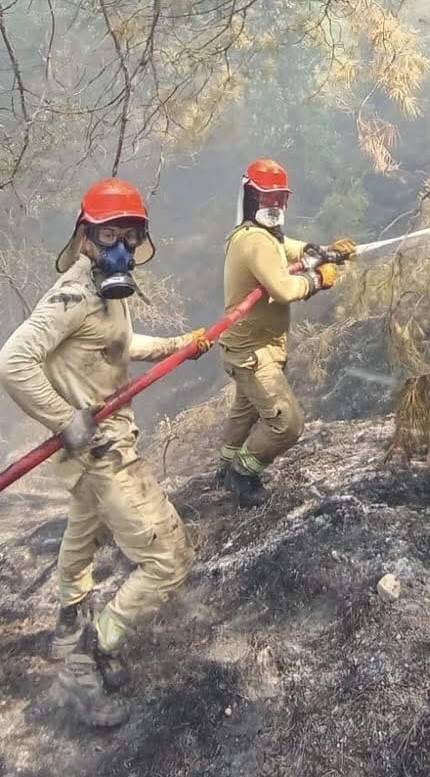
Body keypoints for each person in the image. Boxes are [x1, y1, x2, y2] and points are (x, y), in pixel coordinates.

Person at [0, 178, 210, 727]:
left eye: (129, 234)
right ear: (85, 237)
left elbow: (115, 345)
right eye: (108, 234)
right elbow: (13, 360)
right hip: (102, 450)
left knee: (82, 538)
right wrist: (63, 417)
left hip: (101, 445)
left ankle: (69, 630)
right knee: (169, 559)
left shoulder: (105, 293)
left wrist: (175, 345)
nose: (119, 246)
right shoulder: (73, 295)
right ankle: (91, 650)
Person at [216, 158, 356, 508]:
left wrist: (319, 252)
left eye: (280, 198)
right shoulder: (255, 242)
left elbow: (285, 246)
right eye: (267, 199)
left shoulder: (253, 236)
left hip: (248, 346)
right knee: (287, 424)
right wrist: (319, 278)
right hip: (254, 353)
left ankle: (225, 466)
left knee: (244, 411)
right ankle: (242, 473)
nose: (274, 206)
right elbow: (284, 289)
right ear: (250, 198)